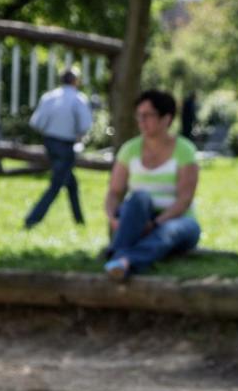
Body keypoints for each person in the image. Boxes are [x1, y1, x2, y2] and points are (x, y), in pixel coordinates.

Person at [102, 90, 201, 280]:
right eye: (139, 115)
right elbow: (114, 192)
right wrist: (112, 218)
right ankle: (121, 260)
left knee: (167, 232)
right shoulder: (129, 149)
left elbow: (184, 200)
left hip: (177, 220)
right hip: (138, 218)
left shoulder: (185, 151)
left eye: (148, 115)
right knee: (139, 197)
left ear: (166, 119)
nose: (141, 121)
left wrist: (155, 224)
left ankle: (121, 259)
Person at [23, 69, 92, 229]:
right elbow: (85, 125)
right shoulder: (78, 99)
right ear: (75, 81)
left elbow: (36, 123)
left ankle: (79, 221)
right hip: (66, 146)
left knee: (71, 183)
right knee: (56, 185)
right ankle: (32, 220)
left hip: (49, 143)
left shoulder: (49, 97)